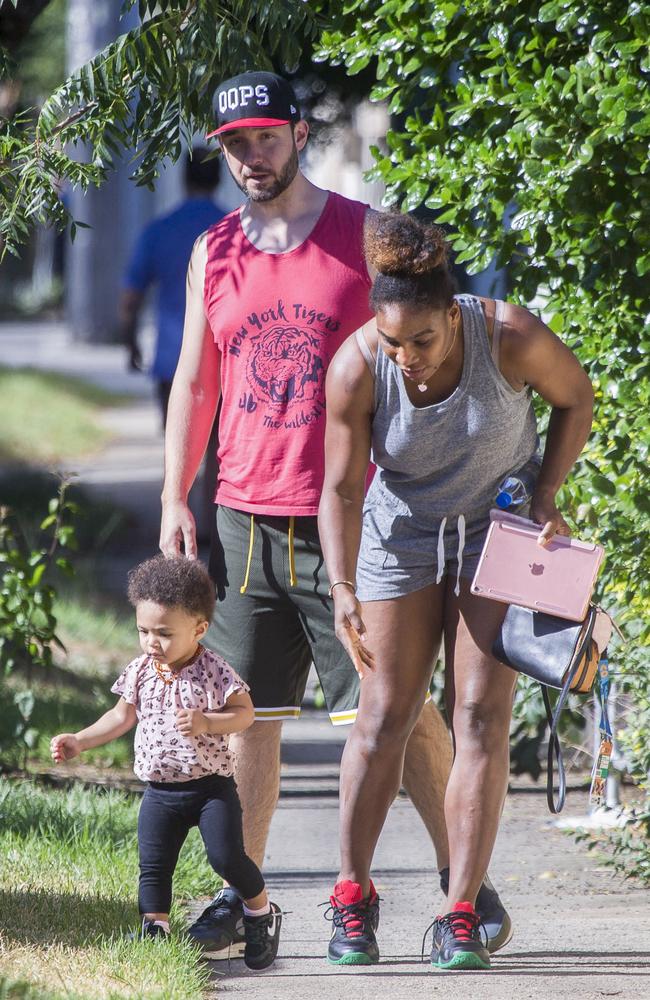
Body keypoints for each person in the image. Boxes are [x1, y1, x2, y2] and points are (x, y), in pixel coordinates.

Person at [159, 70, 509, 960]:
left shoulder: (364, 237)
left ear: (298, 137)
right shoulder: (216, 250)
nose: (250, 157)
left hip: (360, 515)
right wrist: (176, 493)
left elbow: (436, 342)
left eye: (265, 139)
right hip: (243, 511)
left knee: (396, 711)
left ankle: (461, 882)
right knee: (248, 715)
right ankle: (250, 899)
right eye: (235, 145)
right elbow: (198, 380)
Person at [318, 212, 594, 969]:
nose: (406, 357)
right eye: (392, 340)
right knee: (385, 713)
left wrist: (545, 495)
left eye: (423, 340)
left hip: (493, 533)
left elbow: (578, 397)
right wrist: (342, 586)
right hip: (398, 535)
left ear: (453, 312)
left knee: (479, 714)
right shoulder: (357, 365)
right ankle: (352, 896)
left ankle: (462, 911)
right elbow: (340, 489)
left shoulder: (510, 337)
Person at [50, 555, 282, 971]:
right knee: (153, 867)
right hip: (160, 791)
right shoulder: (140, 671)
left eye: (163, 633)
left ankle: (260, 913)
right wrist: (80, 741)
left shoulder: (214, 671)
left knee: (227, 858)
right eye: (143, 631)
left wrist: (208, 721)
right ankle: (155, 930)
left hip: (211, 788)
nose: (151, 641)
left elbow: (245, 713)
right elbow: (121, 716)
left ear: (199, 628)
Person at [120, 147, 225, 426]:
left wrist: (131, 343)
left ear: (184, 179)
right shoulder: (234, 232)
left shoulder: (158, 230)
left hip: (171, 358)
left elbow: (131, 297)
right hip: (223, 360)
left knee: (177, 444)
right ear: (219, 179)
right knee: (218, 445)